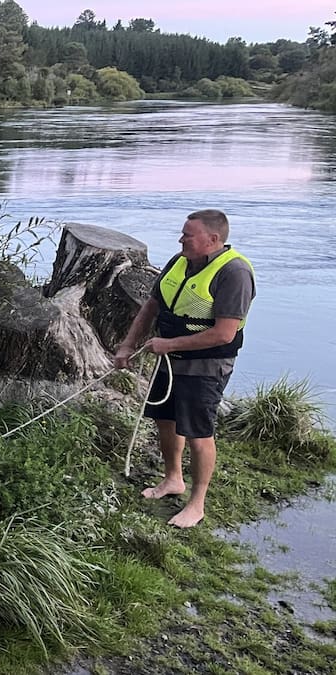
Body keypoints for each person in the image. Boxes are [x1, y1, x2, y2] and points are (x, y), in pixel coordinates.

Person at [113, 209, 255, 529]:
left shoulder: (234, 273)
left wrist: (169, 344)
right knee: (165, 420)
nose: (181, 239)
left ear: (212, 239)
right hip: (170, 361)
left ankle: (197, 503)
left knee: (198, 433)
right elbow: (152, 305)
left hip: (206, 365)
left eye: (187, 234)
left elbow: (224, 333)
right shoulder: (179, 262)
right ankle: (173, 479)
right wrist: (127, 345)